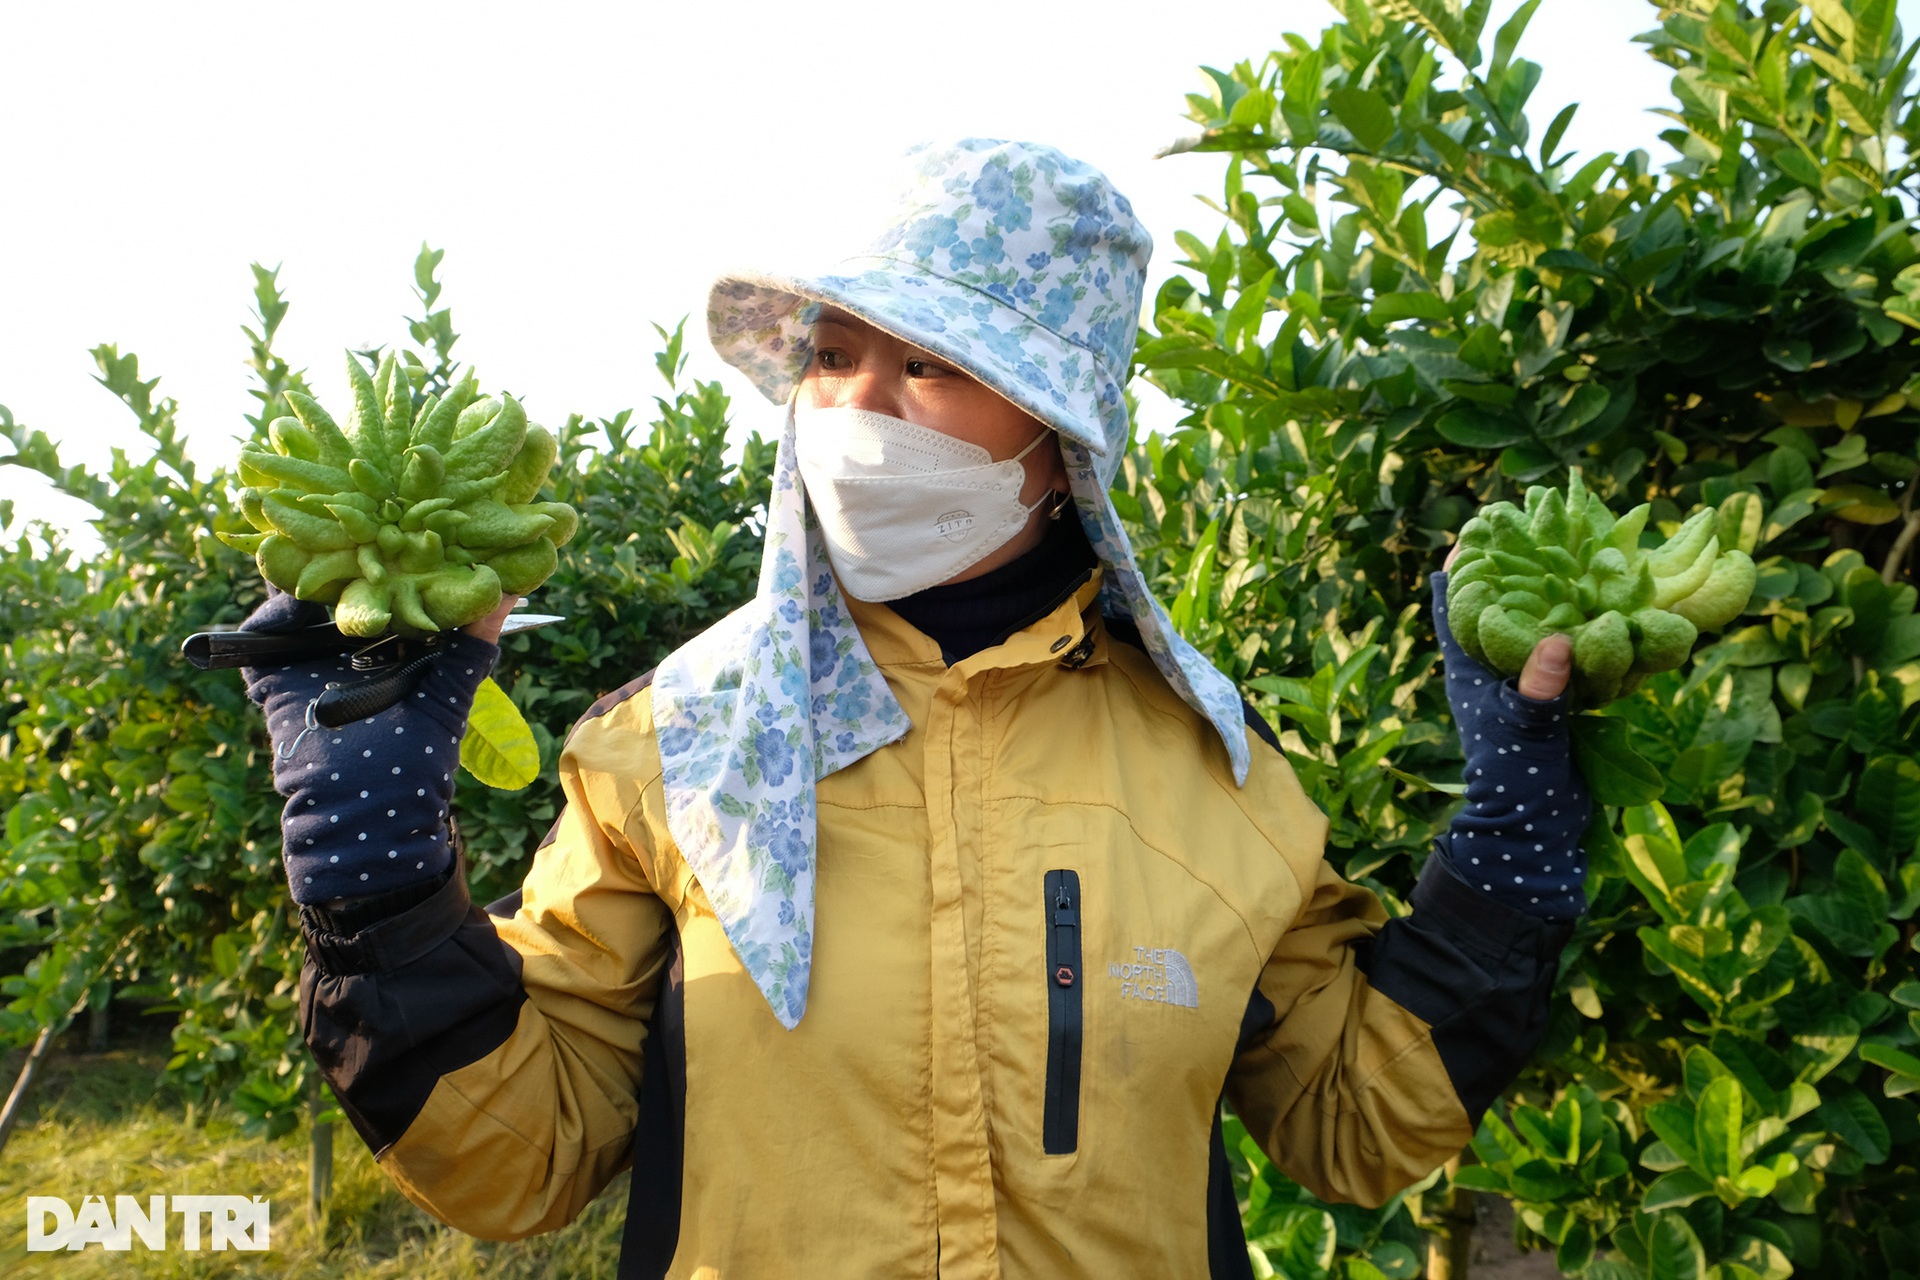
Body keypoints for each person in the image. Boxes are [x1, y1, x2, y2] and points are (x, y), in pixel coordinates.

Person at [241, 138, 1591, 1280]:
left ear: (1064, 440)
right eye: (832, 357)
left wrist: (1510, 860)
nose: (856, 410)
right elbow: (520, 1165)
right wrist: (382, 901)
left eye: (929, 365)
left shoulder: (1213, 771)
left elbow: (1354, 1125)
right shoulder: (679, 746)